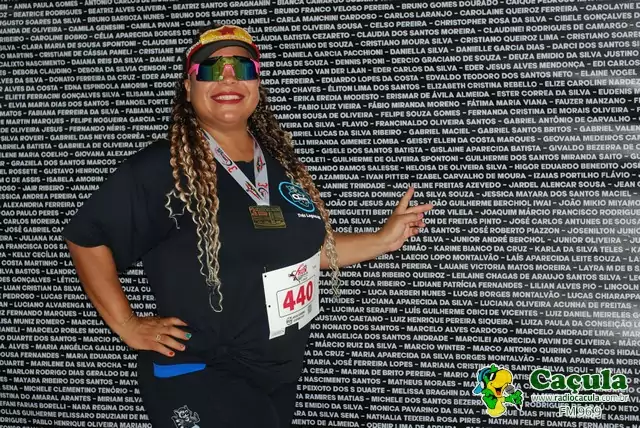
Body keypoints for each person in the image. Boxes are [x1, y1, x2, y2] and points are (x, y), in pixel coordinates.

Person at [62, 23, 433, 428]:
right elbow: (87, 237)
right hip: (201, 372)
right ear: (188, 87)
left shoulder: (278, 167)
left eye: (242, 68)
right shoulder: (164, 167)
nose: (228, 78)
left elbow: (306, 255)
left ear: (257, 86)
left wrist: (382, 239)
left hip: (275, 376)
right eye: (211, 68)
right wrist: (127, 324)